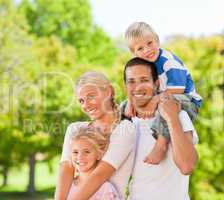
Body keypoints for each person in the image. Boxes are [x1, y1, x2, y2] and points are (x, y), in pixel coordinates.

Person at [123, 21, 202, 164]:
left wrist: (155, 100)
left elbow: (177, 90)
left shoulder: (168, 61)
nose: (147, 50)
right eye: (140, 48)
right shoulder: (144, 64)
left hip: (187, 100)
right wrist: (130, 102)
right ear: (134, 54)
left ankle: (161, 145)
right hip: (165, 95)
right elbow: (136, 87)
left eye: (149, 43)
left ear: (157, 40)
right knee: (123, 106)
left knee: (166, 108)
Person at [123, 57, 199, 200]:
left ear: (156, 83)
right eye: (131, 81)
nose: (138, 87)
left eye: (144, 80)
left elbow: (187, 166)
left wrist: (171, 118)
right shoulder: (125, 123)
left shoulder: (179, 115)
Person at [55, 71, 136, 200]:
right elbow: (66, 169)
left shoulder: (125, 129)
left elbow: (99, 176)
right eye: (81, 101)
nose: (86, 105)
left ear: (108, 91)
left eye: (91, 97)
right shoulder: (75, 129)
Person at [67, 126, 120, 200]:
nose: (80, 157)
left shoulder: (105, 189)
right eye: (75, 152)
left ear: (98, 155)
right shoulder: (68, 186)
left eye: (86, 152)